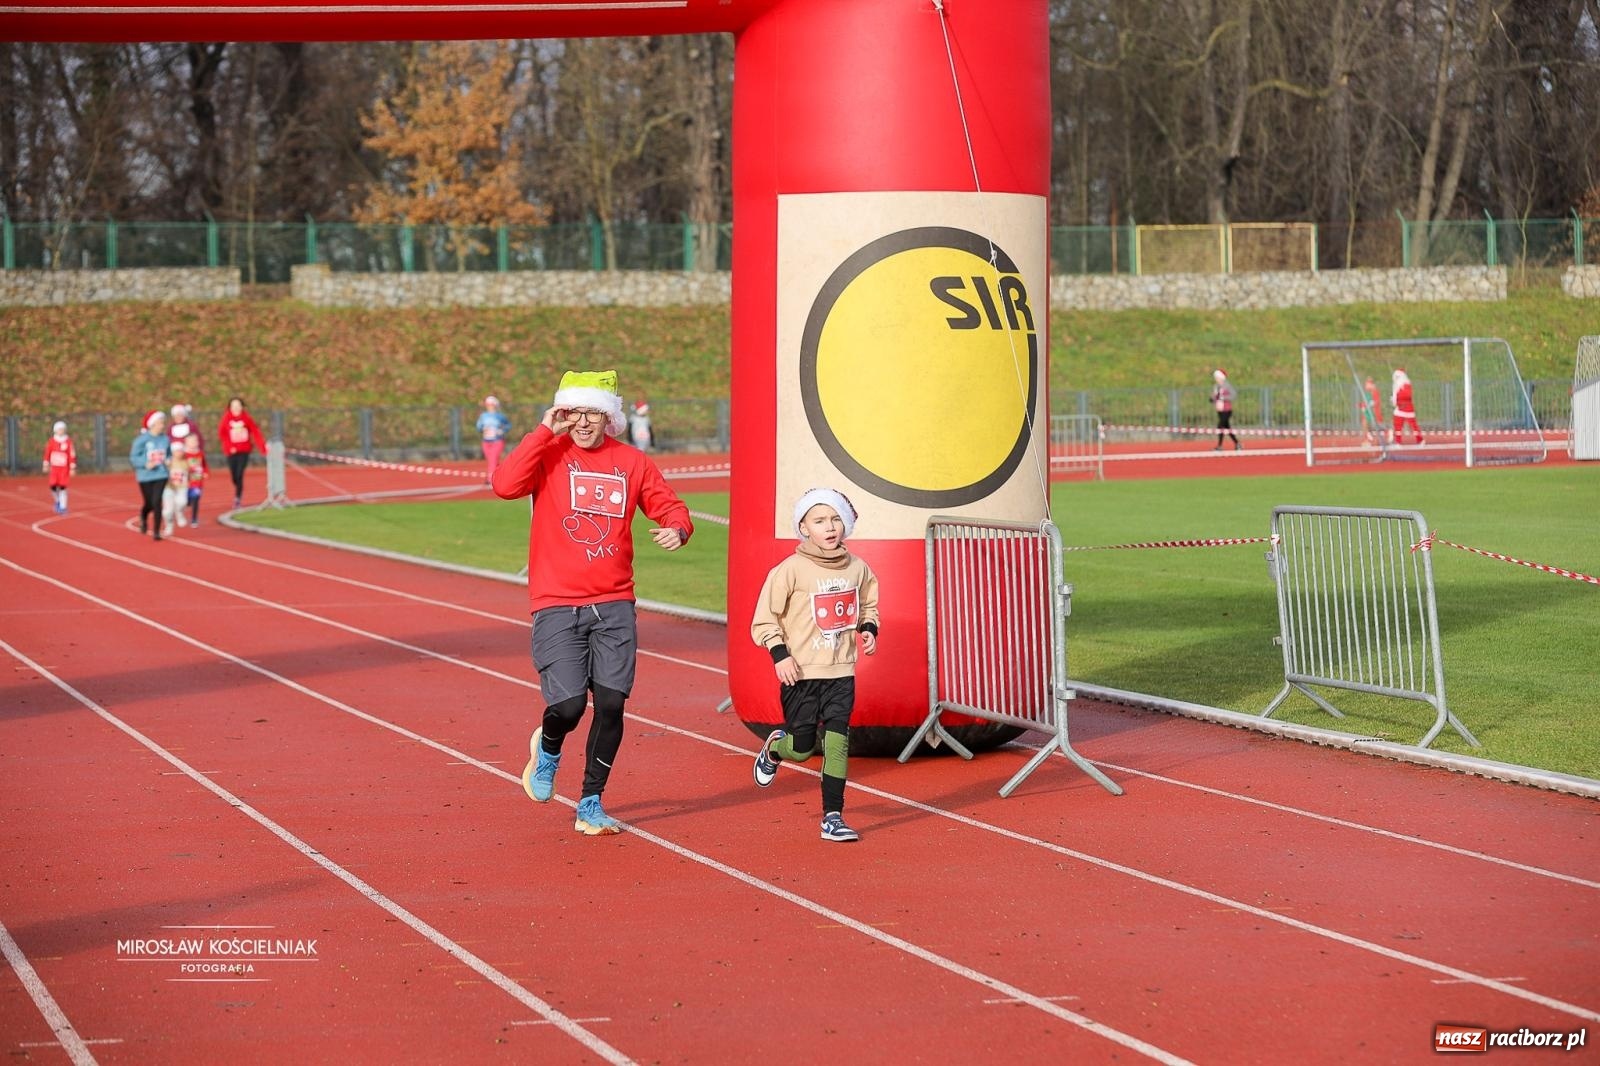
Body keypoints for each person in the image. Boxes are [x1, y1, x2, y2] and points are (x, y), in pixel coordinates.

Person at [492, 369, 694, 836]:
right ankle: (548, 748)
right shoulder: (549, 453)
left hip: (614, 602)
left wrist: (678, 528)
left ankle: (591, 802)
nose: (583, 422)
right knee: (567, 707)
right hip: (557, 602)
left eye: (593, 413)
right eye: (575, 413)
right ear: (564, 413)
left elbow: (670, 506)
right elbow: (504, 485)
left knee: (611, 704)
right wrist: (543, 431)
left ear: (610, 418)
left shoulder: (632, 461)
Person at [750, 488, 880, 843]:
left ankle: (832, 817)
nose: (830, 527)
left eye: (836, 519)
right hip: (801, 674)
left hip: (840, 672)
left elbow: (868, 604)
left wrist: (868, 628)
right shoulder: (789, 570)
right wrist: (780, 654)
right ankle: (776, 748)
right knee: (802, 748)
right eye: (820, 520)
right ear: (804, 527)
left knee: (837, 744)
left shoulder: (858, 568)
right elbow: (764, 619)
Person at [218, 396, 268, 508]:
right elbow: (222, 434)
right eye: (233, 406)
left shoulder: (247, 419)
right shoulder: (226, 419)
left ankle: (237, 498)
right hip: (231, 452)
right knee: (234, 476)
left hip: (244, 451)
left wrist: (262, 447)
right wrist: (229, 447)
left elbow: (256, 432)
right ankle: (237, 487)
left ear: (242, 407)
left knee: (240, 474)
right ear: (230, 408)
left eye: (238, 405)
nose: (236, 408)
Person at [130, 410, 170, 540]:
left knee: (157, 501)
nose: (162, 425)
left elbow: (168, 454)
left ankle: (156, 531)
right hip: (145, 476)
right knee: (149, 503)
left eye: (163, 422)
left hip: (161, 475)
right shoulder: (141, 440)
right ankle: (144, 515)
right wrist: (145, 464)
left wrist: (168, 460)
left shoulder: (165, 439)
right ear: (152, 424)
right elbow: (133, 457)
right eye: (160, 422)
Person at [43, 420, 77, 515]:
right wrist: (45, 464)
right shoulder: (52, 441)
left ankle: (63, 507)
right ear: (55, 430)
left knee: (63, 487)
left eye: (62, 429)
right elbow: (47, 453)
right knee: (52, 486)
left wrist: (72, 467)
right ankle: (57, 501)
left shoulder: (68, 441)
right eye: (59, 429)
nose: (61, 431)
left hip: (64, 469)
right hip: (54, 468)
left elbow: (72, 455)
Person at [475, 395, 511, 482]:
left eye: (491, 404)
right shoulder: (483, 416)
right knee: (492, 461)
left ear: (495, 405)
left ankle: (490, 479)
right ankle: (500, 475)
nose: (489, 406)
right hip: (486, 442)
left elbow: (508, 425)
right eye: (488, 405)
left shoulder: (500, 416)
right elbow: (478, 426)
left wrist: (501, 431)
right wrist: (482, 429)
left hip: (497, 441)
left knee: (493, 459)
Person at [161, 436, 192, 537]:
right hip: (169, 488)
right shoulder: (168, 462)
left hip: (182, 487)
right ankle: (169, 526)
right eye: (177, 451)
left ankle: (179, 513)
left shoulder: (186, 462)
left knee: (182, 502)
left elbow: (191, 473)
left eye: (181, 451)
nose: (179, 453)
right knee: (167, 511)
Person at [1210, 368, 1241, 450]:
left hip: (1226, 410)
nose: (1216, 379)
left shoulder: (1227, 385)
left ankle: (1220, 446)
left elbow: (1233, 395)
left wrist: (1223, 397)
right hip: (1220, 410)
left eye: (1217, 377)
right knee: (1227, 428)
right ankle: (1237, 443)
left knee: (1220, 426)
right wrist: (1212, 399)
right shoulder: (1216, 387)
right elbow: (1215, 396)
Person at [1391, 368, 1423, 445]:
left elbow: (1407, 396)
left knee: (1413, 425)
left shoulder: (1406, 385)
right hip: (1400, 408)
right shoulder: (1397, 387)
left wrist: (1398, 399)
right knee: (1397, 425)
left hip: (1407, 408)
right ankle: (1398, 441)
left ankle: (1420, 440)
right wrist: (1394, 400)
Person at [182, 433, 208, 526]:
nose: (194, 443)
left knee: (196, 499)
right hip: (186, 482)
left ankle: (194, 519)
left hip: (197, 481)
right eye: (191, 441)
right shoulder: (184, 454)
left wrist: (205, 472)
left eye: (195, 440)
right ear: (186, 443)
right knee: (186, 500)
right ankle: (186, 505)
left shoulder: (200, 453)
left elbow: (204, 464)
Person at [1360, 375, 1385, 444]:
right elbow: (1365, 401)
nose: (1366, 385)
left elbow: (1376, 401)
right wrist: (1363, 406)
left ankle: (1378, 439)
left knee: (1377, 426)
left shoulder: (1375, 391)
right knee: (1364, 423)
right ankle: (1367, 439)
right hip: (1367, 412)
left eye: (1368, 383)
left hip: (1374, 412)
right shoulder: (1367, 392)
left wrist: (1371, 404)